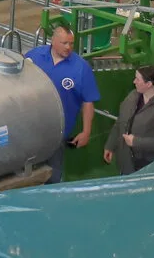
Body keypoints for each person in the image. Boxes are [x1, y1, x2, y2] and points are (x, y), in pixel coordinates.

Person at [26, 24, 100, 183]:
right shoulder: (35, 57)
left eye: (71, 43)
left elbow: (88, 102)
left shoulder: (81, 68)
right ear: (53, 41)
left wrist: (86, 132)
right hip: (31, 127)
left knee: (53, 173)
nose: (68, 47)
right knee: (26, 170)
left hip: (58, 132)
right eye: (64, 43)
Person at [103, 66, 154, 174]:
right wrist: (110, 145)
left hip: (149, 168)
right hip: (127, 163)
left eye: (137, 79)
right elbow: (121, 122)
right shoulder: (132, 96)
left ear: (149, 84)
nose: (134, 81)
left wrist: (136, 142)